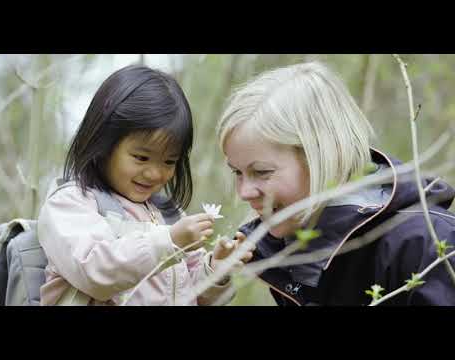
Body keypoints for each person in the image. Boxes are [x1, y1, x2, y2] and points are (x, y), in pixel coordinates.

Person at [217, 61, 455, 306]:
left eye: (262, 172)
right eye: (237, 172)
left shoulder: (428, 244)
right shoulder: (289, 249)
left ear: (322, 157)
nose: (244, 192)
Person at [38, 65, 252, 306]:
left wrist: (216, 270)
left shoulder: (168, 215)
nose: (154, 173)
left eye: (169, 161)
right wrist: (168, 242)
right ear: (104, 143)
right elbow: (93, 272)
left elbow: (194, 296)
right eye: (141, 157)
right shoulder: (72, 203)